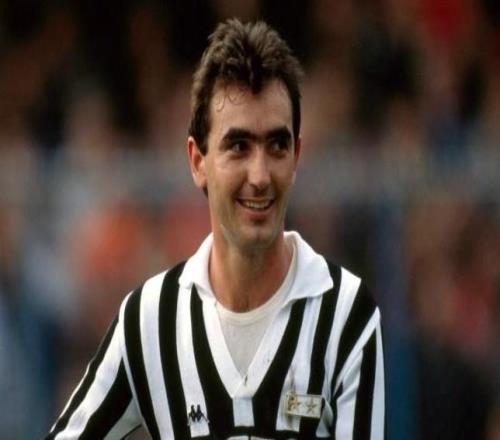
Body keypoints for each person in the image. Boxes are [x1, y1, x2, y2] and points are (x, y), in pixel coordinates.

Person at [47, 19, 385, 439]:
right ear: (197, 161)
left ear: (297, 156)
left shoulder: (346, 314)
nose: (259, 175)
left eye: (276, 145)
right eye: (238, 146)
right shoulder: (150, 320)